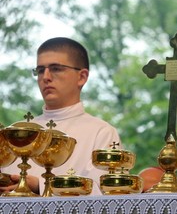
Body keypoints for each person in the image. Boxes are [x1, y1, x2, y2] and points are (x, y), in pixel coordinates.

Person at [0, 37, 121, 196]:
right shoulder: (16, 132)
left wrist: (41, 186)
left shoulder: (102, 133)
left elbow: (108, 196)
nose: (45, 77)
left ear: (82, 77)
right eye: (40, 70)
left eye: (56, 68)